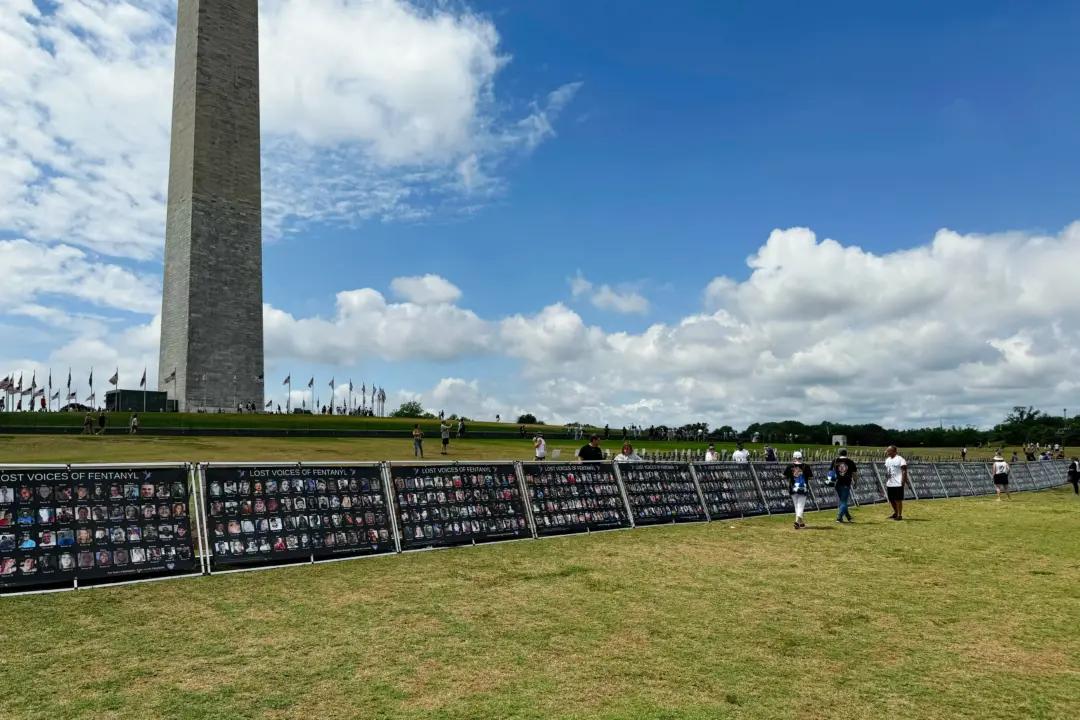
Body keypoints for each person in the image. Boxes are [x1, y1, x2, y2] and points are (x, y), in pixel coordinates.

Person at [784, 451, 813, 529]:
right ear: (801, 457)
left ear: (794, 457)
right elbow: (811, 477)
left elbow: (785, 476)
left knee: (796, 505)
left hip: (792, 487)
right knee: (800, 505)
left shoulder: (790, 466)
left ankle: (800, 522)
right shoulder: (806, 466)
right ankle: (797, 521)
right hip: (803, 488)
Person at [830, 448, 858, 523]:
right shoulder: (850, 462)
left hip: (837, 482)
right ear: (846, 453)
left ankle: (848, 517)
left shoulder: (835, 460)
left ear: (839, 453)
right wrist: (855, 482)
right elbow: (854, 474)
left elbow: (830, 471)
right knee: (844, 501)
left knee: (842, 501)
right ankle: (839, 517)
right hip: (846, 483)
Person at [883, 445, 910, 520]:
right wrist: (886, 477)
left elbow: (904, 471)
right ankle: (895, 512)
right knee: (891, 499)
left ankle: (899, 515)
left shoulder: (900, 459)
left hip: (898, 482)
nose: (887, 452)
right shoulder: (887, 460)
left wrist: (903, 481)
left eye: (889, 451)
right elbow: (888, 470)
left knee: (898, 499)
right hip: (890, 482)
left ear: (894, 451)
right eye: (887, 451)